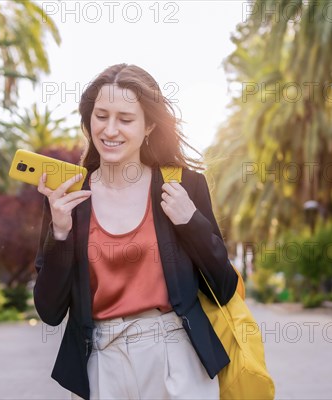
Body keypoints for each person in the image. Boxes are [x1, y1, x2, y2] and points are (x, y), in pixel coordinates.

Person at [34, 63, 238, 400]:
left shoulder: (184, 186)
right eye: (101, 116)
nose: (110, 130)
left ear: (149, 125)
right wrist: (59, 233)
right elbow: (49, 311)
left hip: (177, 357)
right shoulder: (66, 197)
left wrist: (191, 222)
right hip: (102, 363)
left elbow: (224, 286)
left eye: (125, 119)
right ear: (88, 120)